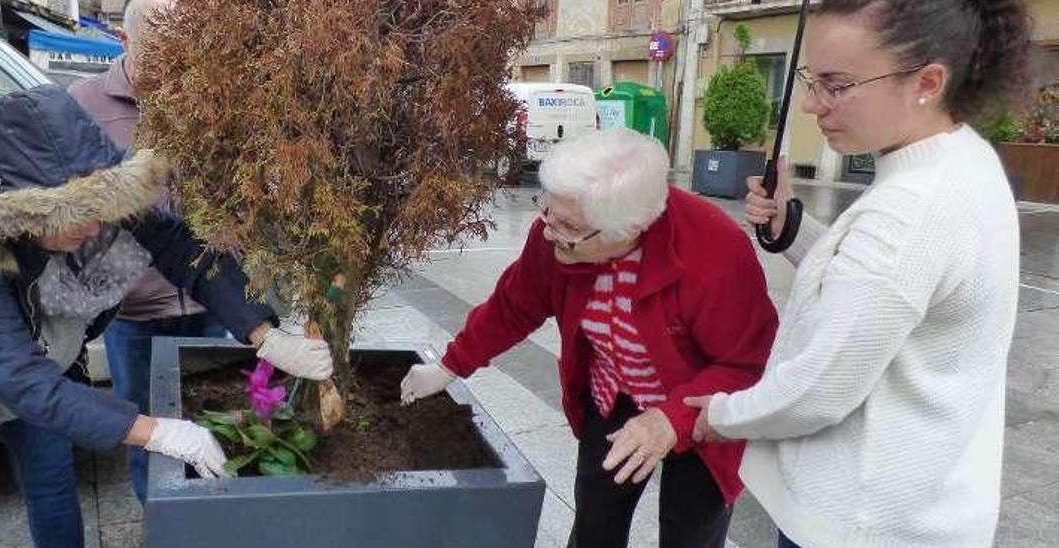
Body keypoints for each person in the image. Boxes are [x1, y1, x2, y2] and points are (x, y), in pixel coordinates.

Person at [0, 85, 332, 548]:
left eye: (96, 209)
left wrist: (263, 333)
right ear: (17, 211)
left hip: (37, 364)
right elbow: (19, 377)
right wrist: (159, 432)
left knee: (51, 483)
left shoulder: (94, 196)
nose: (92, 228)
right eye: (69, 217)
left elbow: (182, 249)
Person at [683, 1, 1033, 546]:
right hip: (922, 503)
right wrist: (791, 227)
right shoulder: (958, 159)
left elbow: (820, 389)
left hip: (860, 521)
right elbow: (883, 284)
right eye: (810, 80)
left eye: (836, 85)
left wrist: (726, 413)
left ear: (927, 81)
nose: (810, 105)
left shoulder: (914, 208)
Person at [400, 128, 778, 547]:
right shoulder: (558, 233)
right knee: (595, 523)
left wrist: (671, 420)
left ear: (628, 228)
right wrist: (448, 366)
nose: (547, 232)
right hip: (612, 394)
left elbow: (746, 363)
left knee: (690, 530)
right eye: (546, 211)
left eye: (567, 226)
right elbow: (513, 306)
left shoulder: (715, 252)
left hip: (702, 411)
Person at [67, 0, 217, 503]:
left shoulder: (208, 97)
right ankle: (160, 524)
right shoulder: (83, 103)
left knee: (222, 421)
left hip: (213, 299)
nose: (175, 67)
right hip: (133, 311)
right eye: (161, 52)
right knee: (145, 432)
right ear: (125, 41)